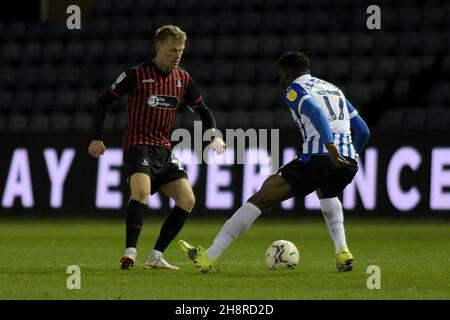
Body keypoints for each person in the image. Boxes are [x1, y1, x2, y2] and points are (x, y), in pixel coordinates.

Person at [179, 51, 370, 273]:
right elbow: (363, 130)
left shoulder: (294, 89)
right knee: (327, 194)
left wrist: (329, 146)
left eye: (281, 75)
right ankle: (343, 251)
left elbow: (314, 111)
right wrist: (349, 156)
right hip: (347, 162)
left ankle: (208, 257)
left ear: (286, 74)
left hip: (320, 156)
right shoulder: (334, 89)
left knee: (260, 199)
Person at [88, 25, 225, 270]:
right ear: (158, 46)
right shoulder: (135, 74)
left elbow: (203, 110)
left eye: (181, 50)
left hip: (164, 150)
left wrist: (213, 135)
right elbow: (103, 101)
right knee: (141, 193)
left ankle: (156, 256)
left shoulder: (182, 79)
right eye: (173, 49)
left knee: (187, 200)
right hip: (137, 146)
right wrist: (96, 137)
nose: (177, 55)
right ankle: (130, 252)